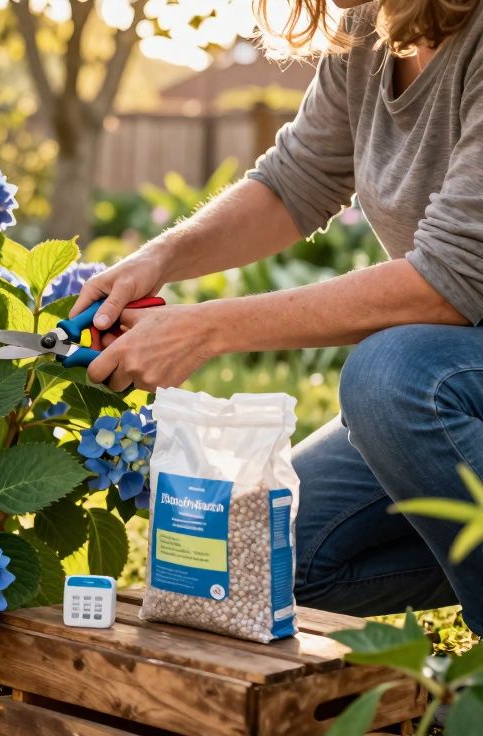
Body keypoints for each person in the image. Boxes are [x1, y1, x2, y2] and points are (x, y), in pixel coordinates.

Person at [72, 0, 482, 632]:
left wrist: (203, 328)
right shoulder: (370, 25)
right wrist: (157, 259)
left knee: (394, 379)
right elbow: (298, 179)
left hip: (446, 375)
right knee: (262, 561)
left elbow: (451, 282)